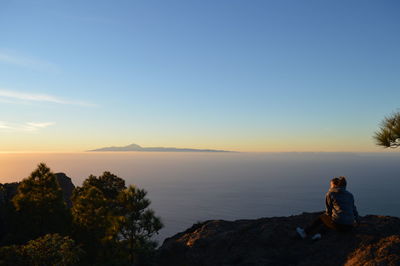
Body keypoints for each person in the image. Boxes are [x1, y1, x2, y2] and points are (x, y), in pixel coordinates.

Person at [296, 176, 360, 240]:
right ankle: (319, 235)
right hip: (349, 226)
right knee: (331, 221)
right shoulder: (350, 195)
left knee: (323, 218)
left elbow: (328, 212)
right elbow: (354, 209)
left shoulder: (331, 194)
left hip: (338, 224)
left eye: (331, 185)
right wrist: (357, 221)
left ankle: (305, 232)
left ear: (334, 185)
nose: (330, 187)